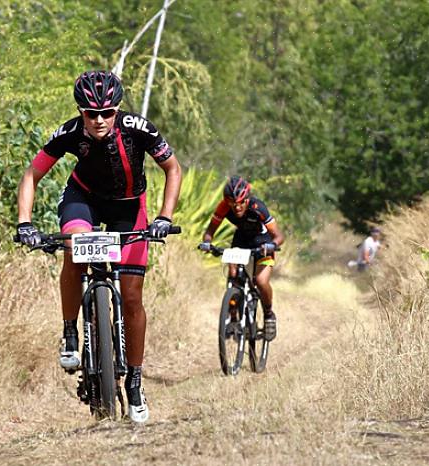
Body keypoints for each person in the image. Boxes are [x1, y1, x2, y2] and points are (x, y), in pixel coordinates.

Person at [15, 71, 182, 423]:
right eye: (91, 113)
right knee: (75, 248)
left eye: (107, 113)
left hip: (128, 206)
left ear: (117, 109)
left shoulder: (139, 129)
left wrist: (164, 217)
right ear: (81, 112)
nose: (100, 120)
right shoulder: (70, 132)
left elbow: (172, 168)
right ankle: (70, 331)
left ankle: (135, 382)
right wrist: (25, 223)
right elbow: (32, 174)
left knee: (133, 296)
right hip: (84, 199)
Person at [198, 176, 284, 341]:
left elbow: (279, 235)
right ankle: (234, 319)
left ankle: (268, 314)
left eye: (241, 202)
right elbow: (209, 231)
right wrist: (207, 243)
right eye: (232, 203)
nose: (237, 207)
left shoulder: (258, 207)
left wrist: (272, 245)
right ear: (227, 201)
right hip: (241, 240)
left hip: (263, 242)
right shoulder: (223, 207)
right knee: (233, 274)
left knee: (260, 281)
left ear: (247, 199)